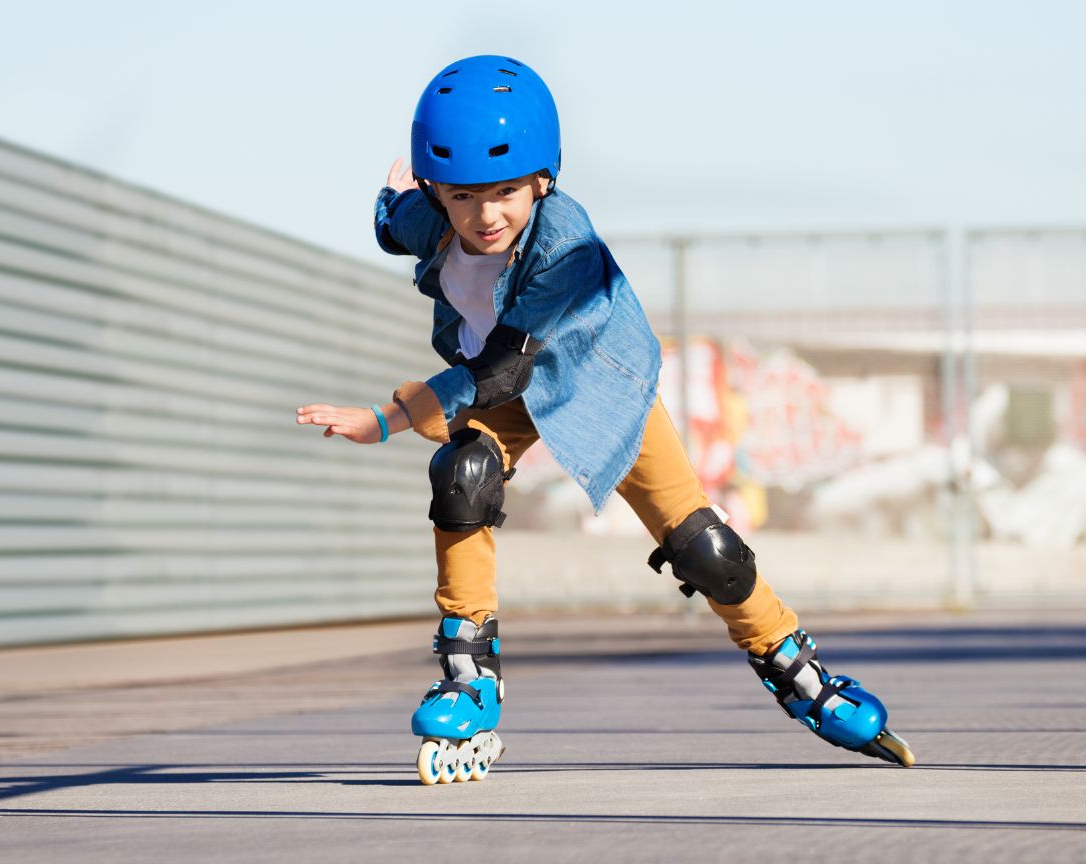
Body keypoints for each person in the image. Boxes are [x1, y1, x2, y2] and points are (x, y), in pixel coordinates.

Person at [296, 55, 913, 785]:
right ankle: (468, 676)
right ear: (437, 190)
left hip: (596, 385)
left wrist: (388, 417)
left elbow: (500, 365)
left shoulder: (568, 244)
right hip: (505, 393)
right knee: (464, 474)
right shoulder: (432, 218)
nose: (485, 217)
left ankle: (796, 669)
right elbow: (395, 224)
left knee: (703, 545)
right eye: (463, 197)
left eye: (506, 193)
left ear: (543, 180)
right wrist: (387, 202)